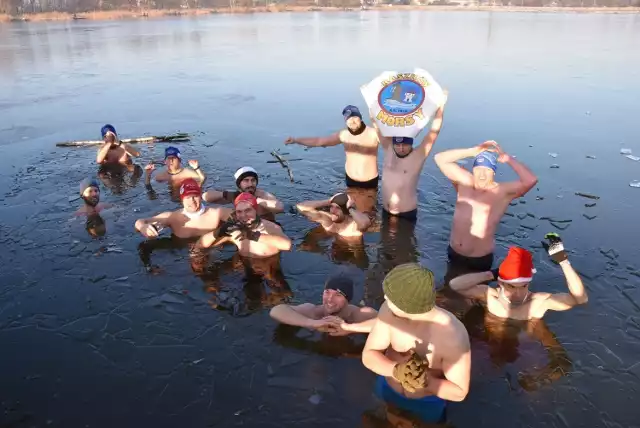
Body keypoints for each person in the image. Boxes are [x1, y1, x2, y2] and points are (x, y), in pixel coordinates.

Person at [362, 264, 471, 424]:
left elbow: (459, 392)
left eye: (390, 298)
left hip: (425, 404)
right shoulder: (389, 311)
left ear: (408, 306)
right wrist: (395, 370)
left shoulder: (453, 336)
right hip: (388, 389)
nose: (385, 299)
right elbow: (369, 355)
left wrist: (427, 382)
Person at [434, 140, 538, 280]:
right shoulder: (464, 181)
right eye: (478, 170)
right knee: (449, 291)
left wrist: (507, 159)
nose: (482, 175)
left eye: (487, 171)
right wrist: (472, 151)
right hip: (454, 253)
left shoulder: (501, 192)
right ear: (473, 170)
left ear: (493, 172)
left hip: (478, 260)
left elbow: (530, 180)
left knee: (474, 299)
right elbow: (439, 158)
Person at [449, 235, 588, 320]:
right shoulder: (489, 295)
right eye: (511, 286)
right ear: (500, 283)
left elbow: (580, 299)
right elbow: (455, 286)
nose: (518, 293)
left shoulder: (538, 303)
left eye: (523, 286)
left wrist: (563, 261)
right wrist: (490, 274)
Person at [379, 95, 447, 221]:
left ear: (411, 144)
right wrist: (372, 101)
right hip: (385, 211)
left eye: (405, 145)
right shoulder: (388, 149)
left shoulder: (418, 155)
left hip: (405, 214)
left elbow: (434, 132)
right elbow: (378, 123)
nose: (401, 148)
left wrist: (441, 106)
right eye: (398, 145)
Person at [285, 105, 380, 189]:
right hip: (350, 179)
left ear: (360, 117)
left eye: (354, 117)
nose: (352, 121)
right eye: (348, 119)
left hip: (369, 181)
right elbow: (319, 141)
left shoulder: (374, 133)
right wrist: (296, 140)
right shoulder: (343, 134)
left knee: (367, 208)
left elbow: (392, 145)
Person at [270, 275, 378, 336]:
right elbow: (276, 311)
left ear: (347, 299)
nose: (330, 299)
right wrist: (312, 323)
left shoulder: (359, 315)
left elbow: (390, 324)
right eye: (327, 292)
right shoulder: (314, 312)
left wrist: (350, 329)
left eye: (338, 295)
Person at [197, 192, 292, 258]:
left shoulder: (270, 227)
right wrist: (218, 232)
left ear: (255, 210)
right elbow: (200, 245)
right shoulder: (236, 230)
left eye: (248, 210)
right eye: (239, 212)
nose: (243, 215)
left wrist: (252, 235)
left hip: (269, 267)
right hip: (243, 266)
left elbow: (287, 245)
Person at [134, 178, 231, 240]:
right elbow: (140, 222)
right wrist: (143, 227)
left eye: (195, 196)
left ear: (200, 197)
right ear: (182, 199)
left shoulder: (216, 213)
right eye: (188, 197)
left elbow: (242, 217)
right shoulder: (172, 217)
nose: (192, 201)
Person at [203, 166, 284, 220]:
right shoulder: (236, 196)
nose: (250, 184)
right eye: (246, 180)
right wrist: (228, 194)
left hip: (267, 229)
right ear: (239, 184)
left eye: (253, 180)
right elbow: (206, 197)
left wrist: (256, 200)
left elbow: (280, 208)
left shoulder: (263, 195)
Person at [295, 192, 371, 238]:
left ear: (346, 211)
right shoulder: (328, 219)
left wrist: (350, 208)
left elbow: (364, 224)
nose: (333, 211)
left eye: (337, 208)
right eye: (332, 206)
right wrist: (328, 201)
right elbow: (300, 207)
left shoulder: (353, 226)